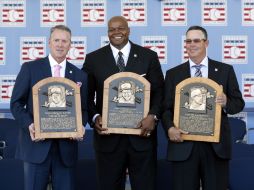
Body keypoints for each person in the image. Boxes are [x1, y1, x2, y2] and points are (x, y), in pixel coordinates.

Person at [82, 16, 164, 190]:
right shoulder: (93, 59)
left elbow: (159, 93)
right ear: (108, 33)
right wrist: (95, 117)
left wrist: (153, 116)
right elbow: (85, 97)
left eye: (121, 28)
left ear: (128, 30)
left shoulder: (148, 56)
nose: (116, 32)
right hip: (108, 140)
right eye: (112, 29)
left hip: (142, 139)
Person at [162, 25, 245, 190]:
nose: (191, 44)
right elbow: (165, 108)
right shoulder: (173, 74)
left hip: (215, 148)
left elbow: (238, 103)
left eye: (196, 40)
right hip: (184, 145)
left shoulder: (225, 70)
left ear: (206, 43)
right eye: (188, 41)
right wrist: (170, 128)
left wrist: (227, 102)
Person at [10, 25, 88, 190]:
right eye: (56, 40)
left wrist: (80, 126)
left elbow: (84, 109)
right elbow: (16, 103)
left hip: (65, 151)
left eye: (64, 41)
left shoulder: (80, 75)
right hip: (36, 148)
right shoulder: (30, 68)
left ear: (70, 45)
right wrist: (30, 125)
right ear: (49, 43)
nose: (60, 44)